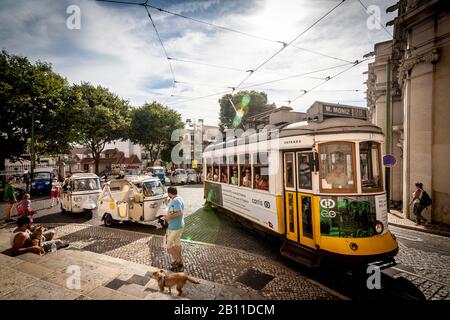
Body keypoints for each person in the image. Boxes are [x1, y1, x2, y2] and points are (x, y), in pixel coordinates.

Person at [163, 187, 185, 271]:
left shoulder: (175, 201)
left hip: (174, 227)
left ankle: (178, 261)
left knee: (168, 246)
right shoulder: (179, 198)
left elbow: (179, 212)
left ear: (169, 193)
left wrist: (168, 217)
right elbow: (175, 211)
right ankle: (178, 260)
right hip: (179, 225)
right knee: (177, 243)